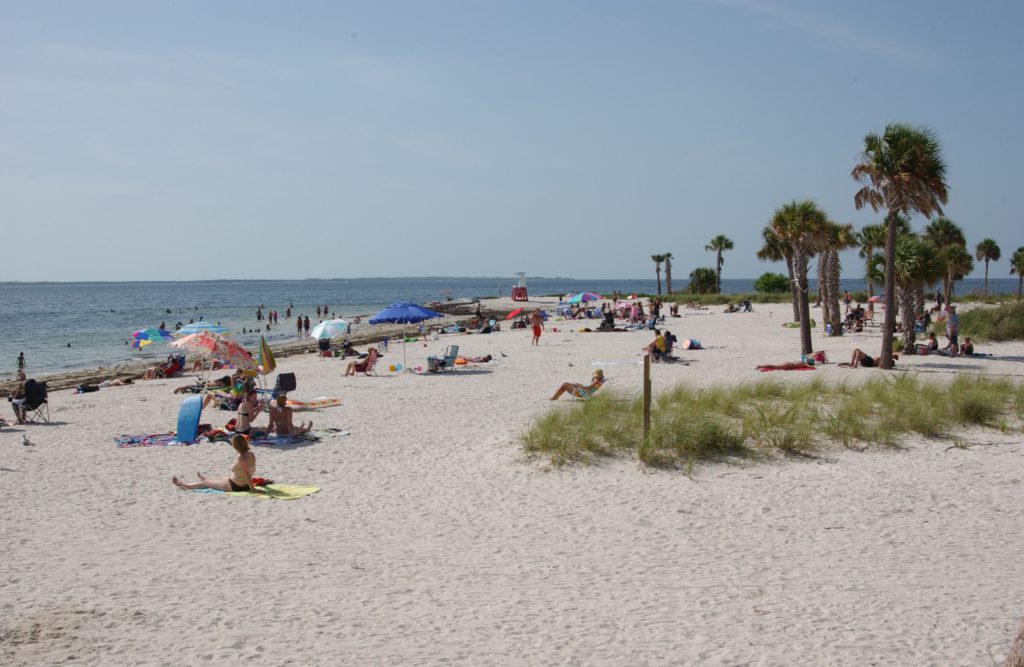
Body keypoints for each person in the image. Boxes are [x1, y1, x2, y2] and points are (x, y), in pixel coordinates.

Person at [172, 434, 260, 493]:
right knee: (221, 478)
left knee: (205, 484)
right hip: (238, 482)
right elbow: (251, 470)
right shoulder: (251, 454)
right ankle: (206, 479)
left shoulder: (241, 459)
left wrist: (253, 490)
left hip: (236, 486)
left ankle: (184, 485)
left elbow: (247, 475)